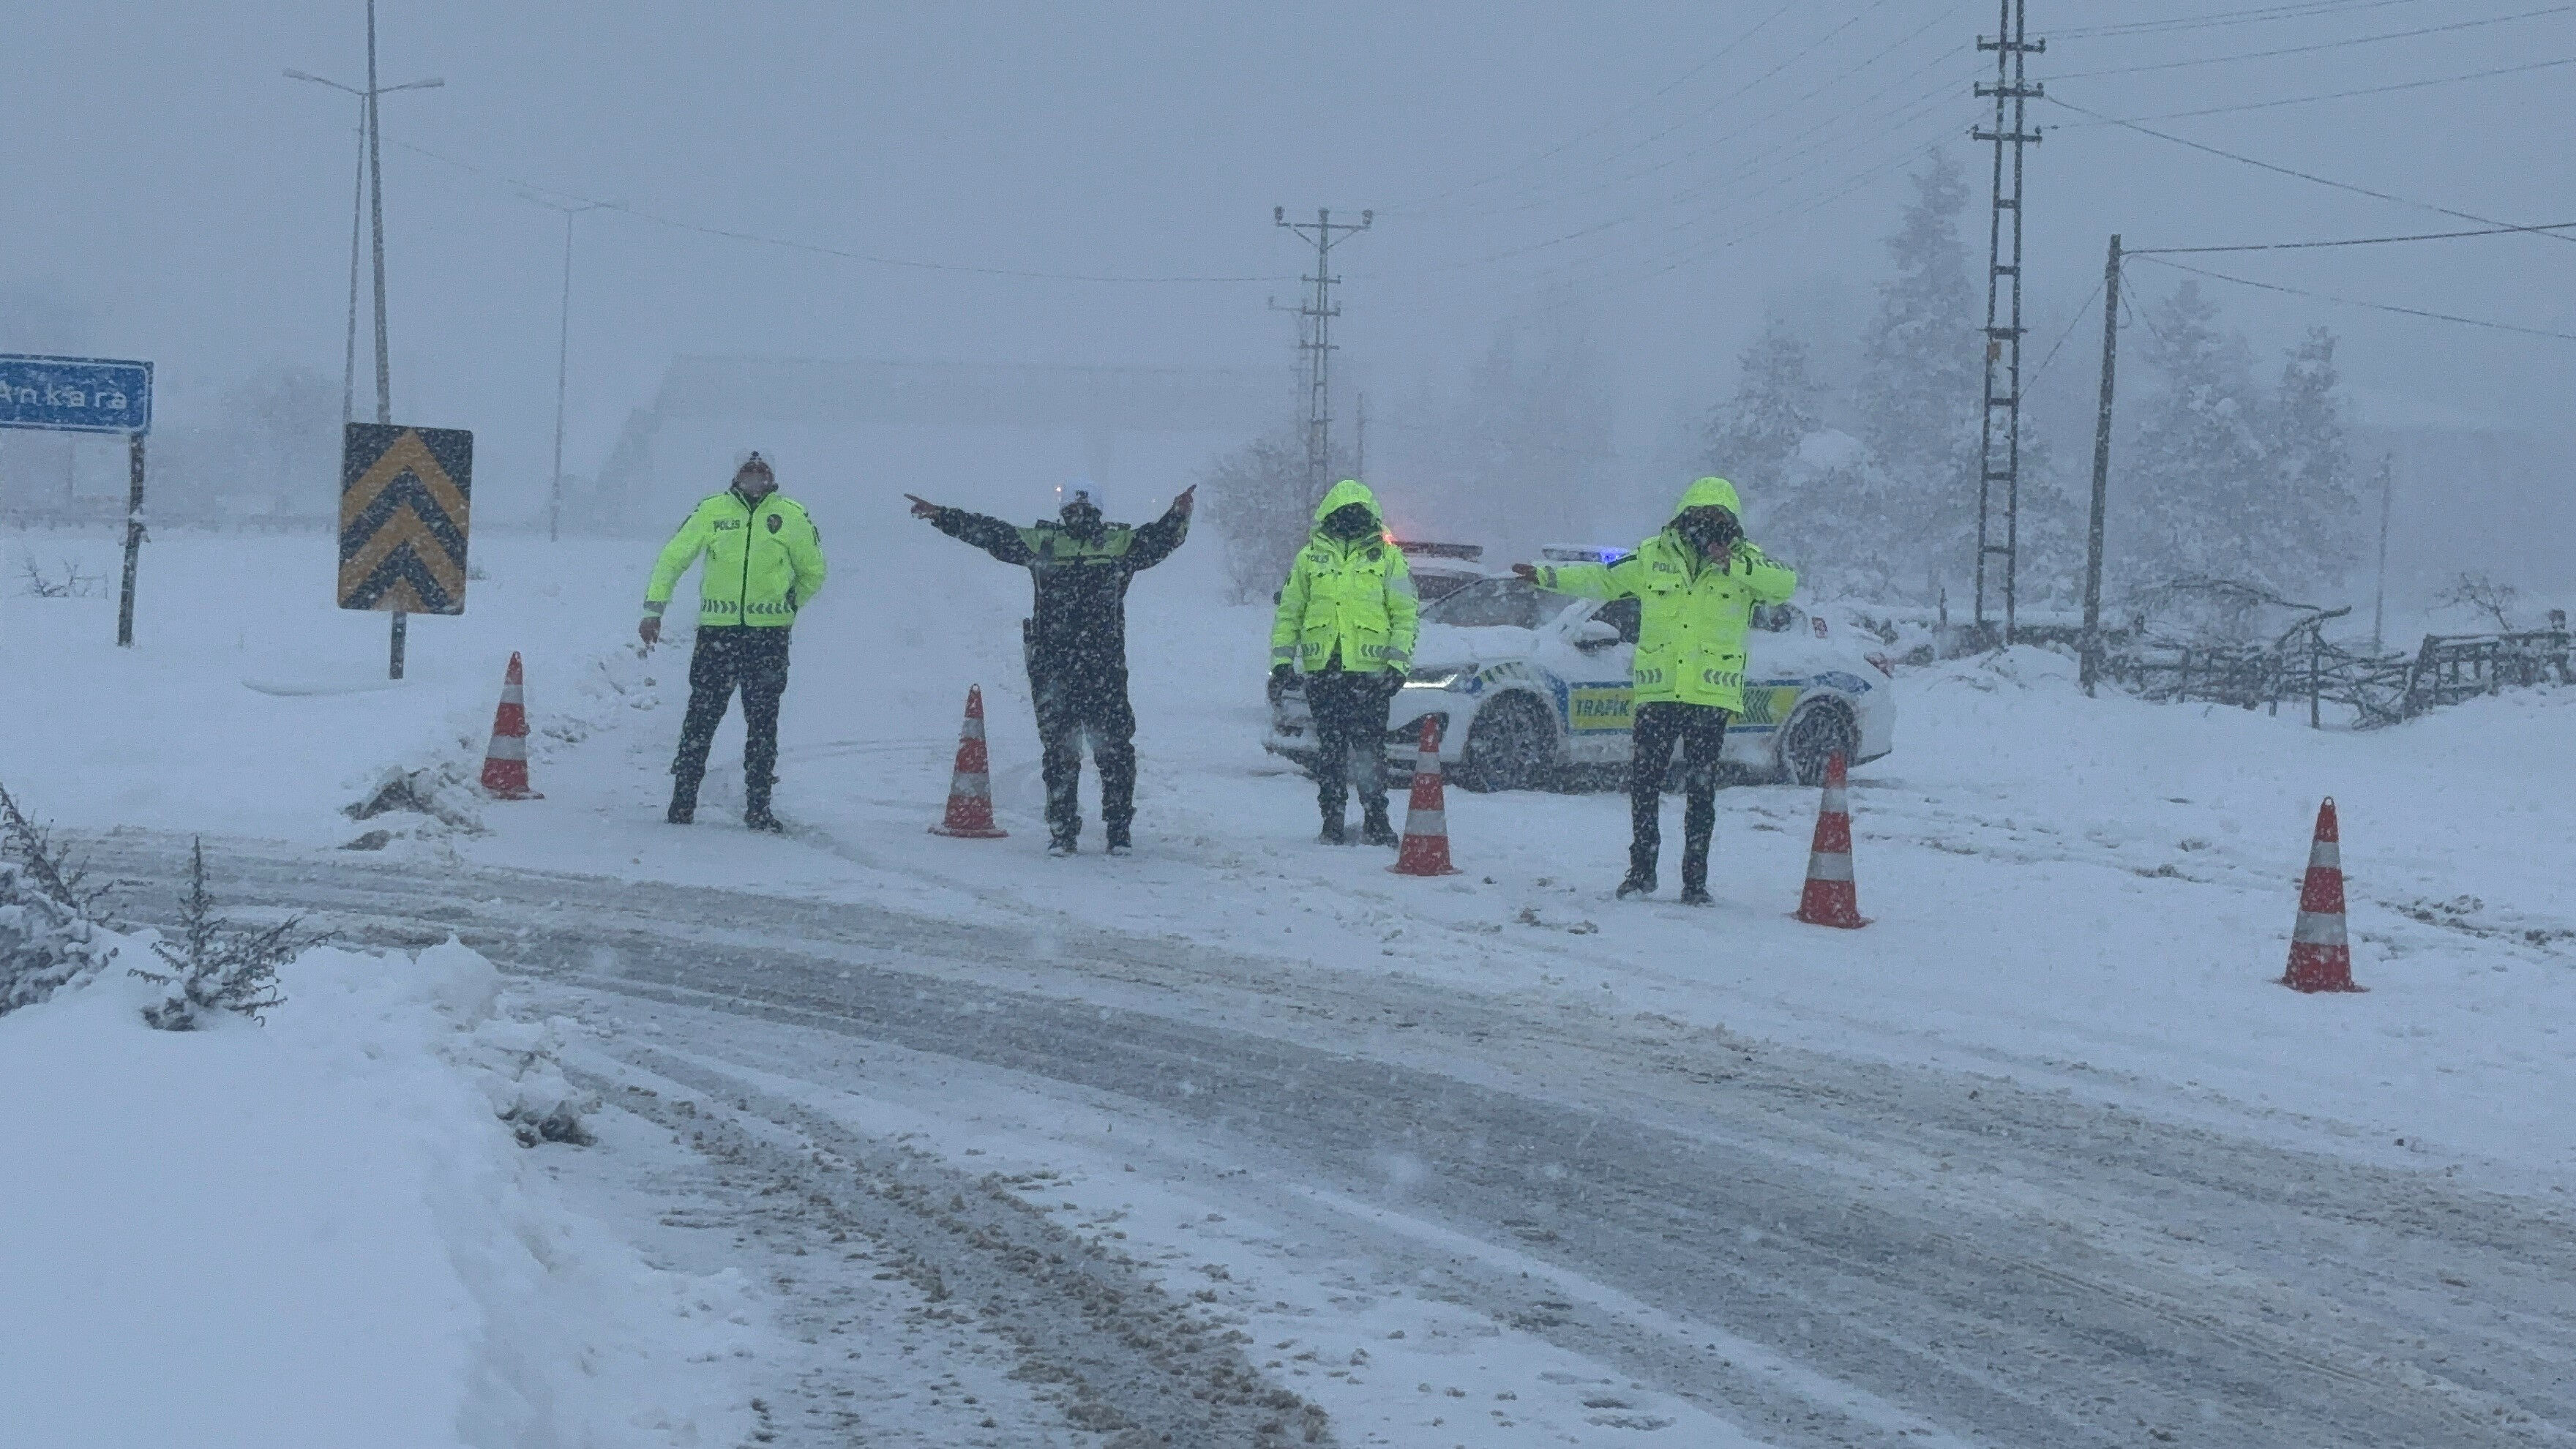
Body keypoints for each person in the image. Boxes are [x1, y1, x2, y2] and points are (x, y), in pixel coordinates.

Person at [1516, 476, 1795, 905]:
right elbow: (1602, 580)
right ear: (1684, 518)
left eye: (1717, 519)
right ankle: (1642, 871)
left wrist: (1734, 565)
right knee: (1645, 784)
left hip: (1709, 694)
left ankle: (1695, 882)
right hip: (1659, 691)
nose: (1707, 527)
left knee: (1701, 791)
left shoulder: (1748, 565)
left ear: (1732, 526)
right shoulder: (1654, 557)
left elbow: (1785, 586)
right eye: (1700, 517)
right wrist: (1546, 575)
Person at [907, 479, 1194, 857]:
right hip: (1056, 665)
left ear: (1097, 511)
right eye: (1072, 509)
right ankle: (1063, 832)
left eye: (1085, 509)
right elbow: (992, 533)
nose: (1078, 515)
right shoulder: (1044, 541)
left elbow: (1159, 541)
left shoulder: (1116, 544)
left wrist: (1178, 515)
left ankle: (1119, 831)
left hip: (1100, 665)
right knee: (1061, 751)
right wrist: (943, 517)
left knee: (1113, 750)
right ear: (1063, 512)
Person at [641, 452, 828, 832]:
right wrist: (654, 608)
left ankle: (758, 807)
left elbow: (813, 570)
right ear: (737, 475)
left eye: (762, 471)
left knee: (763, 725)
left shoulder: (791, 515)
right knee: (701, 720)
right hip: (719, 634)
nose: (755, 476)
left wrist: (790, 604)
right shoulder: (712, 511)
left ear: (772, 476)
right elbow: (673, 559)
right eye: (748, 470)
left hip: (768, 637)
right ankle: (682, 802)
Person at [1272, 479, 1420, 846]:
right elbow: (1290, 612)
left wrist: (1397, 668)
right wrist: (1281, 661)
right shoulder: (1309, 557)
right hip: (1325, 671)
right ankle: (1332, 820)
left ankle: (1376, 819)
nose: (1351, 520)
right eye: (1344, 514)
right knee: (1331, 751)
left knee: (1369, 751)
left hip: (1370, 676)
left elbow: (1405, 615)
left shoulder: (1387, 558)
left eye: (1357, 514)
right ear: (1331, 516)